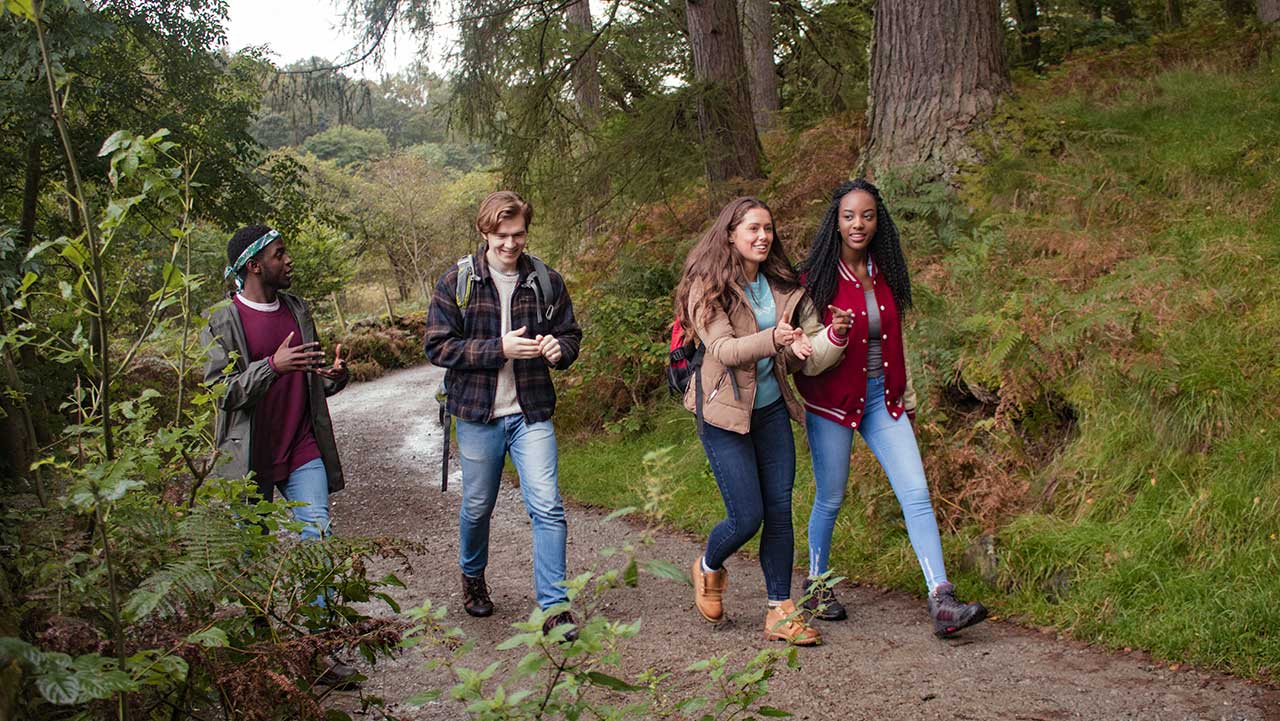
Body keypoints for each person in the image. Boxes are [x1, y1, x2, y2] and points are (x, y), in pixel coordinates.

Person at [793, 179, 987, 637]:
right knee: (830, 497)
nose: (858, 224)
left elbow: (897, 343)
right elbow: (809, 360)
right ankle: (817, 585)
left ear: (879, 221)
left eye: (867, 215)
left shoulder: (887, 272)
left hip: (884, 399)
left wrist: (908, 398)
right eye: (848, 216)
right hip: (832, 404)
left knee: (916, 494)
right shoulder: (814, 279)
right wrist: (834, 334)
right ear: (835, 223)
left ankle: (941, 598)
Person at [674, 196, 843, 646]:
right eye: (752, 228)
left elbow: (783, 351)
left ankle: (779, 609)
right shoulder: (707, 287)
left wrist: (798, 348)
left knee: (780, 510)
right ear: (730, 233)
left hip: (770, 411)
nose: (763, 236)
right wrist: (774, 338)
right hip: (723, 415)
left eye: (768, 228)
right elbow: (726, 350)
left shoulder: (778, 284)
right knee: (746, 516)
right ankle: (708, 566)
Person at [424, 190, 583, 641]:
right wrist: (499, 348)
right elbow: (437, 346)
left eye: (518, 234)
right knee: (478, 506)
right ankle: (472, 575)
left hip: (530, 412)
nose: (511, 244)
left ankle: (555, 606)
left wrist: (559, 349)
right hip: (478, 415)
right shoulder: (457, 281)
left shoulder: (545, 280)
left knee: (548, 506)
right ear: (484, 231)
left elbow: (570, 334)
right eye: (501, 235)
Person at [202, 224, 354, 682]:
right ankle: (261, 657)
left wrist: (333, 376)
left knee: (317, 543)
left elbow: (309, 380)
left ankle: (319, 653)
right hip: (248, 460)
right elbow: (219, 391)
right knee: (249, 559)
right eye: (279, 254)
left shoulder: (297, 309)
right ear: (254, 265)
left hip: (302, 446)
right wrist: (271, 366)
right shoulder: (222, 319)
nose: (288, 261)